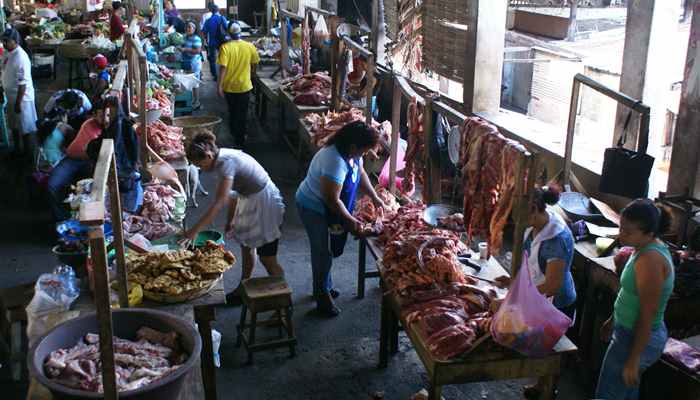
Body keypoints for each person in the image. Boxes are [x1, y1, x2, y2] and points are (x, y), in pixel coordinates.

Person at [180, 132, 285, 304]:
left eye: (199, 164)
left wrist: (193, 232)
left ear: (208, 156)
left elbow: (219, 202)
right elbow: (233, 194)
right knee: (246, 245)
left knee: (268, 258)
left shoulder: (225, 163)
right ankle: (243, 288)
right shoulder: (220, 158)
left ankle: (282, 302)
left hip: (264, 202)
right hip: (249, 197)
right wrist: (231, 220)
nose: (199, 168)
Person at [492, 186, 576, 399]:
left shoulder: (557, 238)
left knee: (551, 350)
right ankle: (540, 385)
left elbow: (552, 285)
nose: (516, 221)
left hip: (557, 302)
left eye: (520, 216)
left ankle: (548, 390)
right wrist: (513, 281)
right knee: (540, 345)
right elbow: (532, 264)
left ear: (534, 209)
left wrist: (517, 295)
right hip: (538, 294)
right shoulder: (535, 225)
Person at [296, 121, 385, 317]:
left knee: (328, 249)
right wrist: (350, 221)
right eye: (363, 151)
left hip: (329, 206)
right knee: (322, 252)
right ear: (354, 147)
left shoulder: (351, 153)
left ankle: (324, 285)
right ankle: (321, 297)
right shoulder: (334, 160)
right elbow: (331, 200)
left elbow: (360, 172)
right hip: (314, 207)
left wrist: (375, 196)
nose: (364, 155)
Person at [595, 199, 674, 400]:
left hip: (636, 337)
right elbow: (630, 295)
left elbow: (647, 315)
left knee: (608, 394)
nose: (621, 234)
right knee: (626, 392)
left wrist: (633, 359)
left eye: (628, 231)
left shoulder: (651, 260)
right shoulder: (642, 247)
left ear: (649, 233)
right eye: (621, 227)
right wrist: (613, 320)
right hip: (627, 331)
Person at [47, 100, 111, 221]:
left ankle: (83, 222)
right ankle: (62, 219)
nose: (105, 119)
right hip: (73, 160)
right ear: (94, 115)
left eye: (108, 115)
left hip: (91, 162)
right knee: (52, 185)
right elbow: (94, 151)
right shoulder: (89, 125)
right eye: (101, 115)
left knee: (94, 192)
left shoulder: (113, 127)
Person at [217, 22, 259, 148]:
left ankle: (234, 133)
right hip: (244, 86)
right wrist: (252, 74)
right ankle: (240, 139)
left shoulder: (225, 47)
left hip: (229, 87)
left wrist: (219, 86)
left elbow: (223, 68)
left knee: (232, 111)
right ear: (240, 33)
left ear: (229, 34)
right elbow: (255, 63)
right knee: (242, 112)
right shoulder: (249, 46)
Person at [1, 28, 38, 166]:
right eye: (3, 41)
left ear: (15, 41)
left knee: (25, 128)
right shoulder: (7, 53)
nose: (4, 43)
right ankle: (17, 150)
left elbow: (23, 84)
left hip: (22, 99)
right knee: (14, 126)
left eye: (7, 41)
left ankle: (28, 156)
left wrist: (18, 103)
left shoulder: (21, 57)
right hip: (11, 97)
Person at [201, 3, 227, 81]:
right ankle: (224, 74)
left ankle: (215, 75)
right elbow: (227, 28)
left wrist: (205, 41)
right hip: (222, 41)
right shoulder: (222, 18)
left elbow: (204, 32)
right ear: (218, 10)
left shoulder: (208, 20)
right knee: (224, 58)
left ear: (211, 11)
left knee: (212, 59)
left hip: (212, 42)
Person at [181, 21, 203, 109]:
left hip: (194, 63)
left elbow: (198, 51)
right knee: (189, 81)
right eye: (187, 27)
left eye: (190, 27)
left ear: (194, 29)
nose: (188, 29)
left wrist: (185, 49)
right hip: (187, 61)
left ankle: (196, 102)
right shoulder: (185, 37)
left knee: (194, 83)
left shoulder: (196, 38)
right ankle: (190, 100)